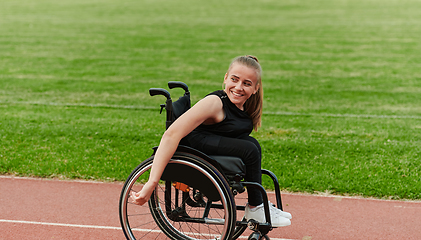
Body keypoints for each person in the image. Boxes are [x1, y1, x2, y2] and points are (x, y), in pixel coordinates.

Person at [130, 55, 292, 227]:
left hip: (211, 141)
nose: (238, 87)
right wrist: (151, 182)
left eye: (246, 83)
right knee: (249, 149)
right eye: (234, 80)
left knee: (253, 145)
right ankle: (255, 208)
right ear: (225, 78)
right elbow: (171, 135)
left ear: (255, 88)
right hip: (195, 143)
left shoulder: (245, 105)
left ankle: (257, 204)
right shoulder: (215, 103)